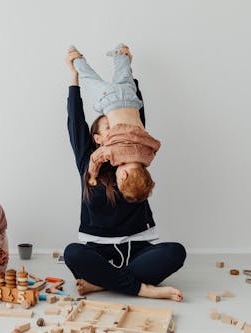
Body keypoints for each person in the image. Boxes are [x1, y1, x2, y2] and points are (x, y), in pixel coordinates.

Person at [63, 46, 186, 301]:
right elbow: (75, 121)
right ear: (96, 138)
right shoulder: (88, 160)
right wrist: (73, 80)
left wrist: (131, 79)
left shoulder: (134, 156)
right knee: (73, 253)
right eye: (106, 127)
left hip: (138, 246)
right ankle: (142, 289)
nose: (114, 129)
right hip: (97, 248)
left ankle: (104, 283)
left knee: (176, 252)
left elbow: (136, 119)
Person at [70, 44, 160, 202]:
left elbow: (156, 144)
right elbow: (95, 159)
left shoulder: (148, 155)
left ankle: (121, 55)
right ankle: (76, 58)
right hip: (109, 100)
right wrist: (92, 176)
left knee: (124, 76)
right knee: (89, 79)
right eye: (119, 180)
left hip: (131, 98)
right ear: (123, 175)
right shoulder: (114, 153)